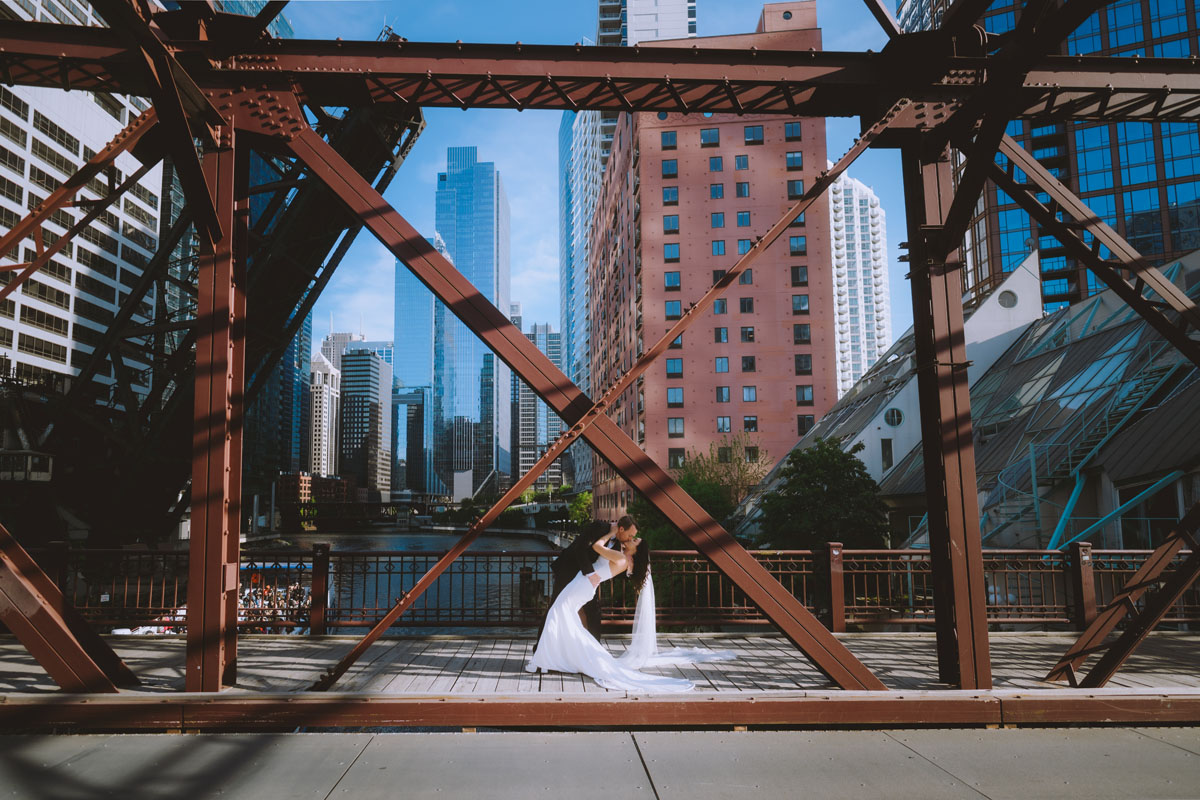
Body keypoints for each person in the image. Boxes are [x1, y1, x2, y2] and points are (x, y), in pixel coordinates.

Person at [526, 526, 735, 692]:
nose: (631, 540)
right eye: (633, 537)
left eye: (634, 541)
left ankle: (547, 660)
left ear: (636, 551)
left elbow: (597, 547)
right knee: (561, 617)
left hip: (583, 585)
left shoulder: (621, 559)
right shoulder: (622, 557)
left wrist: (609, 532)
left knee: (557, 614)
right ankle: (549, 659)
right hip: (583, 585)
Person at [533, 515, 637, 647]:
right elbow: (579, 548)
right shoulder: (598, 527)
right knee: (555, 607)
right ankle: (539, 648)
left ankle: (595, 650)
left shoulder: (617, 544)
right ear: (621, 529)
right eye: (630, 535)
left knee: (593, 612)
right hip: (568, 570)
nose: (630, 539)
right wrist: (590, 573)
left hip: (585, 580)